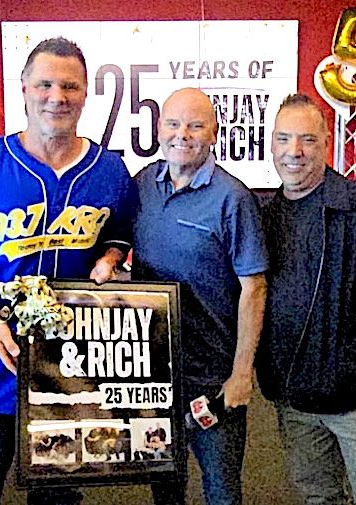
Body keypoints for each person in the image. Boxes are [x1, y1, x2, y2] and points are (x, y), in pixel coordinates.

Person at [0, 37, 137, 505]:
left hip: (68, 366)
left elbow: (118, 236)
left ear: (86, 93)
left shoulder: (110, 170)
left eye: (70, 86)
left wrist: (111, 258)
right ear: (24, 89)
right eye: (45, 85)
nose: (57, 97)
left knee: (59, 496)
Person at [255, 93, 356, 505]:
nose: (294, 151)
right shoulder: (267, 217)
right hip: (296, 402)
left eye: (307, 139)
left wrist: (350, 366)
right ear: (271, 144)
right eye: (284, 139)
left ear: (327, 143)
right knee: (318, 498)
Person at [132, 88, 269, 505]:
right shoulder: (143, 185)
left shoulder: (233, 197)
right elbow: (117, 242)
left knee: (221, 489)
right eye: (173, 124)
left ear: (213, 132)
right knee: (164, 484)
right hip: (153, 374)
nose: (182, 135)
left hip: (213, 375)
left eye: (195, 126)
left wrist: (241, 373)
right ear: (159, 129)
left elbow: (254, 287)